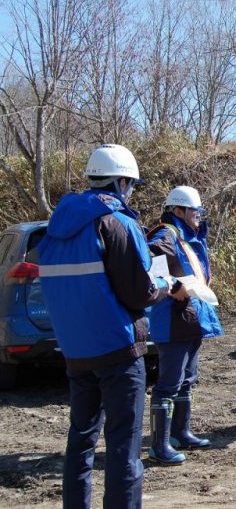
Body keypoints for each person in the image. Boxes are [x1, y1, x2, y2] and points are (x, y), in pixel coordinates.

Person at [38, 144, 187, 509]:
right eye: (131, 184)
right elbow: (139, 292)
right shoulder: (117, 222)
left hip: (76, 352)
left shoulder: (56, 227)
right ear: (122, 182)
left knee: (81, 441)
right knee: (124, 447)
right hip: (118, 352)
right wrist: (169, 288)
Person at [146, 186, 224, 465]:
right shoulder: (165, 234)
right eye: (195, 211)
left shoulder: (186, 237)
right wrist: (175, 286)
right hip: (173, 318)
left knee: (187, 380)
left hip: (191, 316)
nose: (199, 217)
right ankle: (159, 445)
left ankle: (180, 432)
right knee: (168, 383)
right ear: (178, 210)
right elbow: (152, 270)